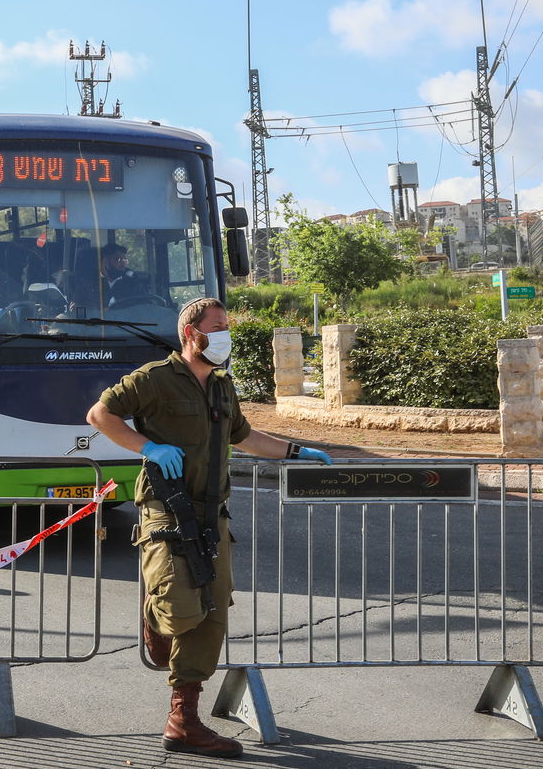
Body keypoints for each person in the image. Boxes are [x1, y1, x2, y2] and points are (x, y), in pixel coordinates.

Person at [86, 298, 331, 759]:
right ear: (190, 333)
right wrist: (148, 447)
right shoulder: (155, 378)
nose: (225, 335)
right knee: (180, 610)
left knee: (212, 613)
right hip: (165, 508)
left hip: (212, 514)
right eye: (217, 327)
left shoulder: (222, 384)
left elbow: (245, 436)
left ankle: (184, 719)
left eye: (226, 326)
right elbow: (100, 415)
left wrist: (297, 452)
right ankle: (156, 619)